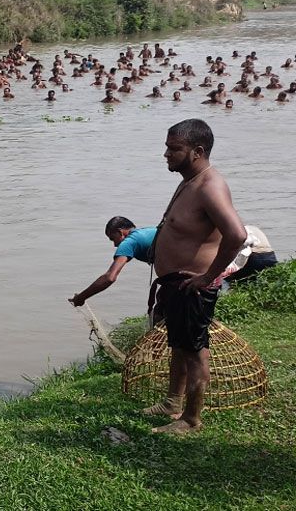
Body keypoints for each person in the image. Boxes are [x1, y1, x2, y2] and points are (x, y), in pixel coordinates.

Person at [149, 119, 247, 434]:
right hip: (176, 284)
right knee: (179, 345)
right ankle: (172, 402)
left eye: (174, 148)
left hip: (193, 285)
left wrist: (207, 276)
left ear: (197, 151)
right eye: (167, 146)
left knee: (193, 350)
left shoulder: (209, 186)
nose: (166, 153)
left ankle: (191, 419)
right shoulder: (190, 179)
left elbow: (236, 234)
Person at [69, 217, 156, 308]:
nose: (115, 245)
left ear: (120, 232)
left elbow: (109, 278)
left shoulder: (129, 242)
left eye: (113, 238)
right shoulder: (148, 230)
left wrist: (81, 297)